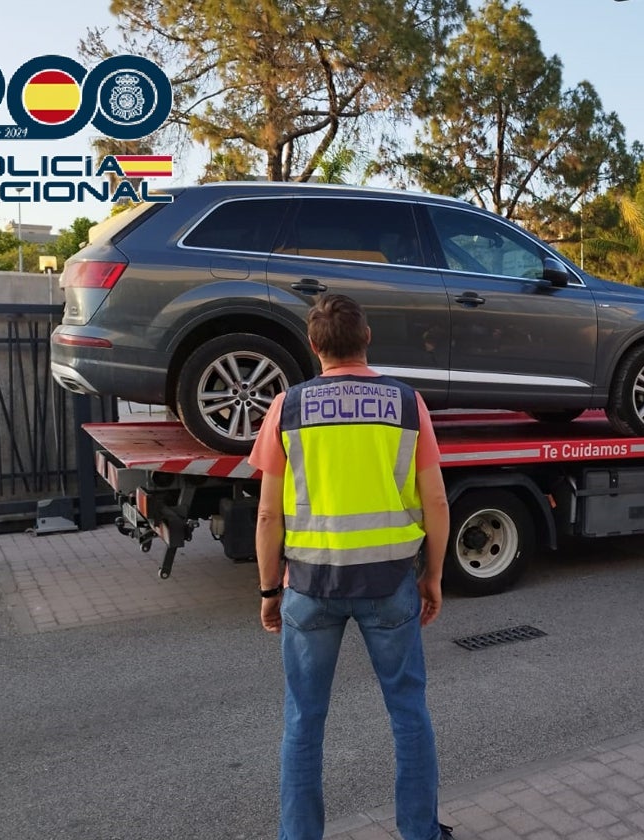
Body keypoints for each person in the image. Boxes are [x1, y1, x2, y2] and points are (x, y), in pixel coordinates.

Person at [250, 293, 453, 840]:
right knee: (409, 716)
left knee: (303, 722)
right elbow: (436, 502)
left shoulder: (286, 407)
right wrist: (432, 577)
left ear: (314, 347)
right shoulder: (408, 404)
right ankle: (420, 833)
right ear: (366, 339)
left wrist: (270, 590)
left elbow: (269, 512)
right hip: (391, 585)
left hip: (310, 586)